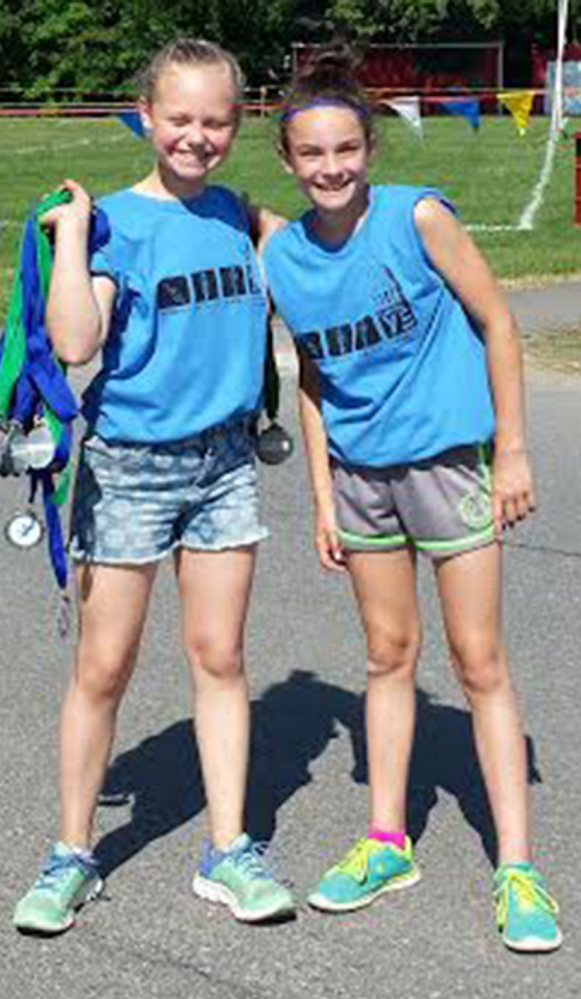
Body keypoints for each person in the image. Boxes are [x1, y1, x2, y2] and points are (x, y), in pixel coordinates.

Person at [261, 49, 562, 952]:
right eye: (311, 154)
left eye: (345, 148)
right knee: (387, 655)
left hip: (445, 464)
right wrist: (319, 494)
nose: (330, 167)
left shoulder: (417, 215)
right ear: (286, 159)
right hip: (359, 479)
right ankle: (388, 839)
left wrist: (509, 449)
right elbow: (310, 378)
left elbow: (498, 321)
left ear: (369, 149)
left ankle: (516, 866)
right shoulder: (284, 259)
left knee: (479, 664)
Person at [13, 37, 294, 935]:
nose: (197, 136)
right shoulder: (114, 227)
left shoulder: (239, 217)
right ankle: (70, 853)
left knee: (220, 660)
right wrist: (71, 236)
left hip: (223, 466)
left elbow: (321, 269)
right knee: (103, 666)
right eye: (179, 118)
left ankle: (229, 849)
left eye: (216, 120)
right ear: (145, 115)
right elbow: (74, 341)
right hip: (129, 468)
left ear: (238, 122)